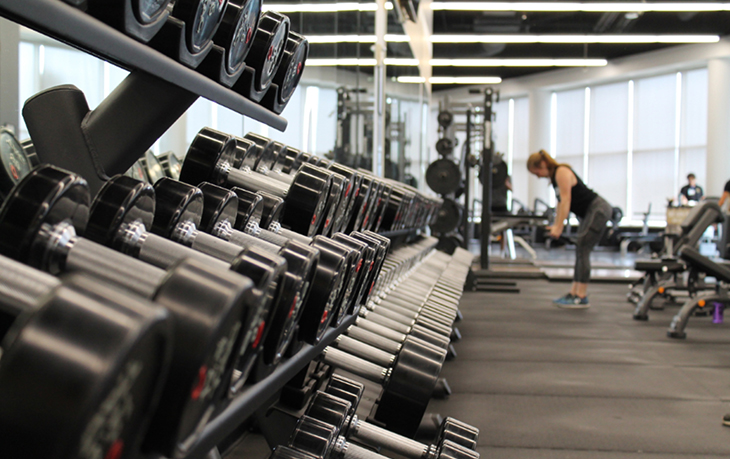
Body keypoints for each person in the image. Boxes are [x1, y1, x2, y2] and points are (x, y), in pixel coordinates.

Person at [527, 150, 613, 308]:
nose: (538, 176)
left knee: (583, 248)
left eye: (537, 171)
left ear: (543, 164)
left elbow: (567, 200)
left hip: (598, 210)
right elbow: (560, 203)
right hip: (589, 212)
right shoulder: (554, 178)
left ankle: (581, 295)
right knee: (580, 248)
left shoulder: (561, 172)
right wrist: (556, 225)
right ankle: (574, 292)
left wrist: (559, 227)